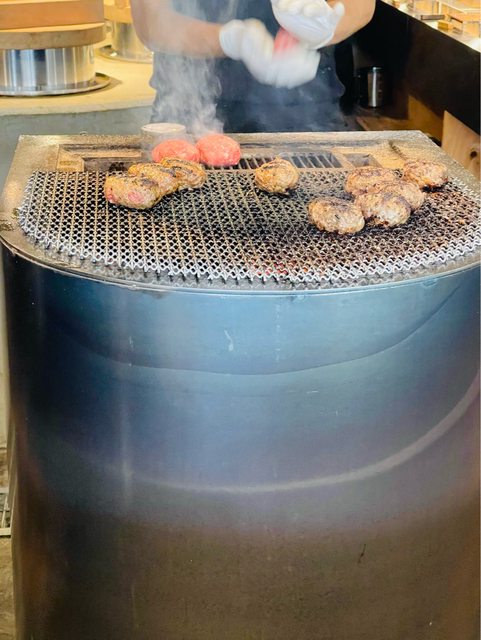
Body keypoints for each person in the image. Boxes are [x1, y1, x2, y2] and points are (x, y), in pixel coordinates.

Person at [131, 0, 375, 133]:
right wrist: (232, 40)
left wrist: (323, 29)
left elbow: (361, 6)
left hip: (305, 111)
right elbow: (150, 21)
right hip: (188, 108)